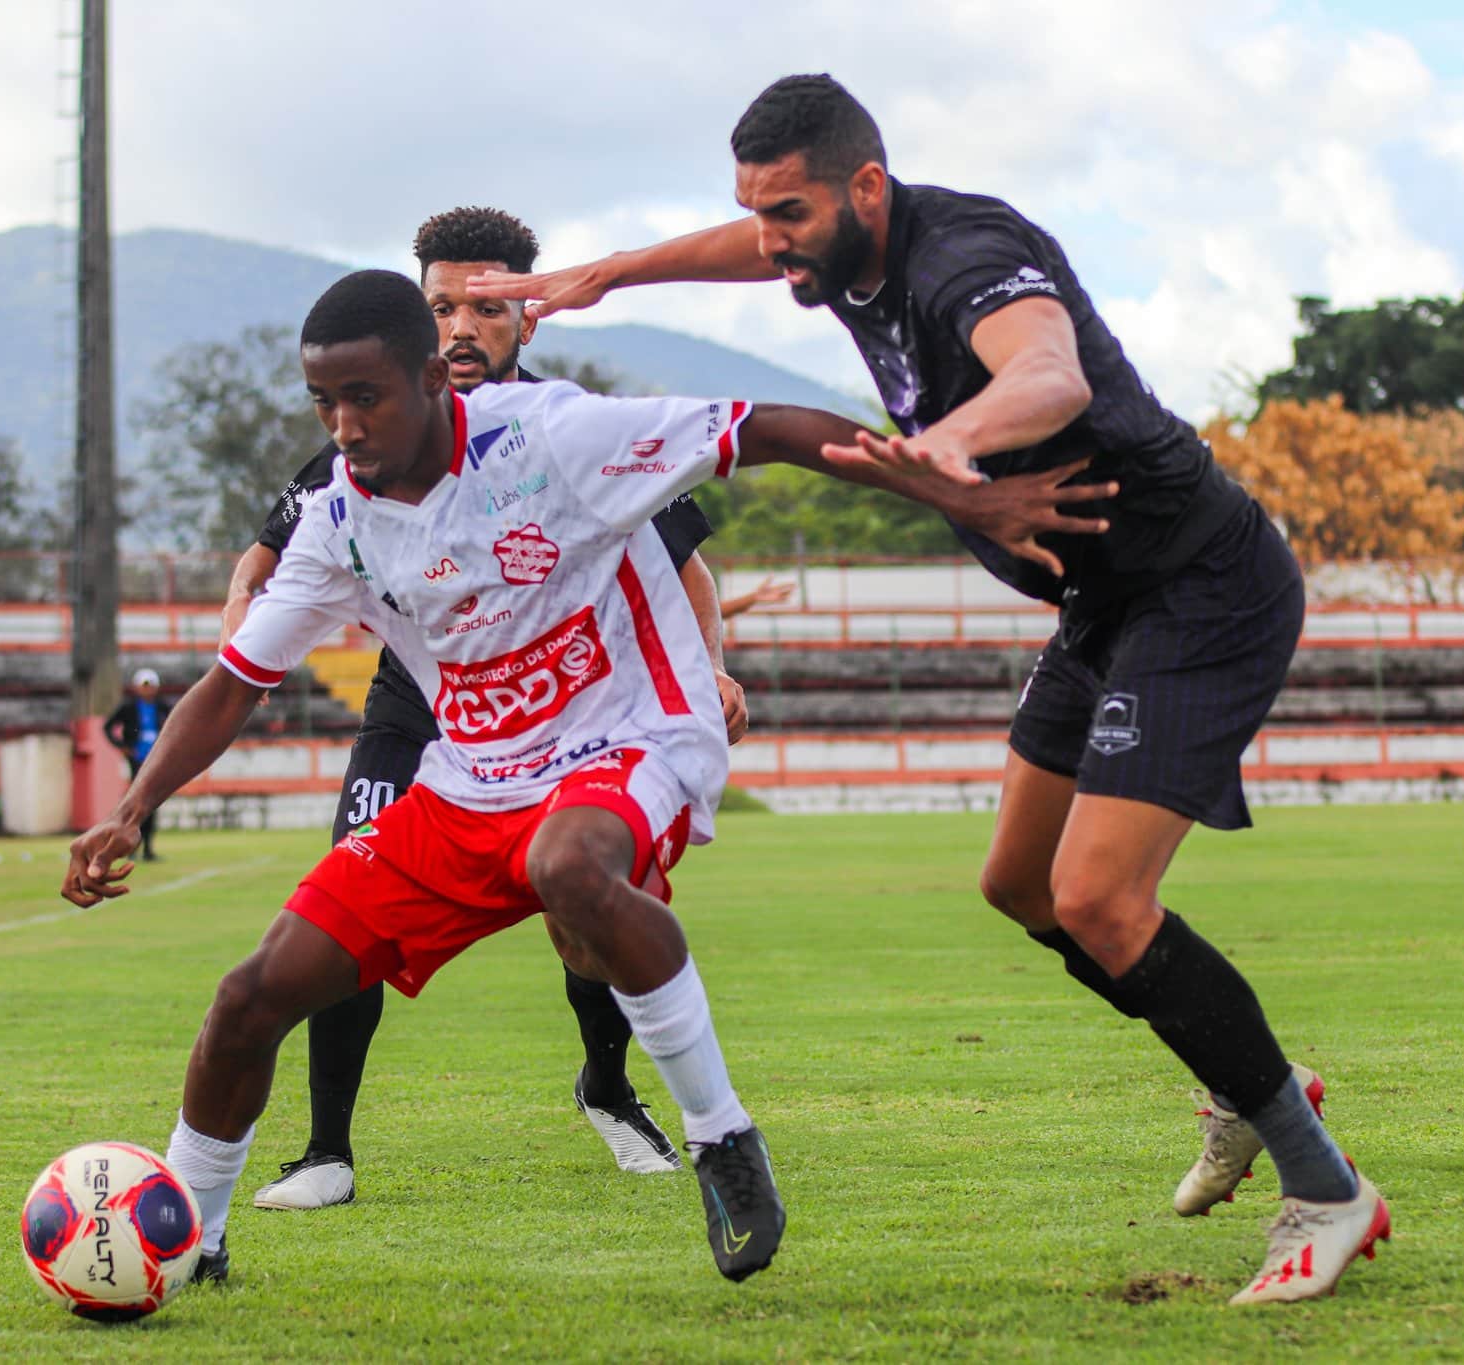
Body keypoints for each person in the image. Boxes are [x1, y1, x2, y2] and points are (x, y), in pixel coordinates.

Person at [471, 74, 1388, 1306]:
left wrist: (959, 440)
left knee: (1098, 896)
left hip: (1199, 586)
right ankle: (1239, 1073)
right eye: (757, 213)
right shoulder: (836, 249)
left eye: (789, 213)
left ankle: (1324, 1184)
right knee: (1018, 885)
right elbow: (749, 249)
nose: (773, 242)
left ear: (864, 186)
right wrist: (612, 272)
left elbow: (1050, 375)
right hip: (1098, 605)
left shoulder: (962, 253)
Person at [61, 267, 1075, 1287]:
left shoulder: (549, 438)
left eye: (363, 396)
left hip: (633, 737)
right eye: (323, 402)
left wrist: (956, 490)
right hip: (468, 784)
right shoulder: (337, 521)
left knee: (570, 867)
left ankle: (722, 1140)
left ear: (428, 379)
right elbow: (235, 683)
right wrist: (131, 808)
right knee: (251, 996)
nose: (343, 425)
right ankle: (189, 1237)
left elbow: (762, 427)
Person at [217, 207, 735, 1209]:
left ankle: (608, 1086)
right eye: (442, 305)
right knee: (342, 897)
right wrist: (244, 607)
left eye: (487, 307)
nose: (462, 328)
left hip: (560, 721)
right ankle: (326, 1148)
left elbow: (689, 567)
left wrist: (712, 668)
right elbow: (271, 543)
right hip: (417, 715)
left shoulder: (570, 428)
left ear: (526, 319)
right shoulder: (364, 432)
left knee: (582, 908)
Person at [103, 667, 173, 862]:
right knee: (136, 804)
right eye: (144, 686)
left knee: (151, 804)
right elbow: (108, 727)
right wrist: (123, 747)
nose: (148, 690)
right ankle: (132, 847)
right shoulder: (129, 707)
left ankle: (148, 848)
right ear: (137, 687)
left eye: (151, 686)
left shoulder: (162, 707)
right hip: (137, 761)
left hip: (157, 761)